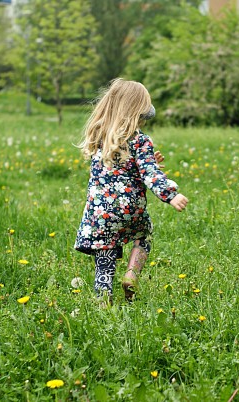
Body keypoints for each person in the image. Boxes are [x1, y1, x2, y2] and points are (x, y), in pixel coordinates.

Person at [74, 78, 188, 305]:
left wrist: (146, 163)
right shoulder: (140, 140)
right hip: (130, 209)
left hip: (100, 214)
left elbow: (116, 169)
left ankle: (102, 301)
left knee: (105, 254)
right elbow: (149, 173)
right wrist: (170, 194)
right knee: (143, 235)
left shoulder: (99, 137)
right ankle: (131, 274)